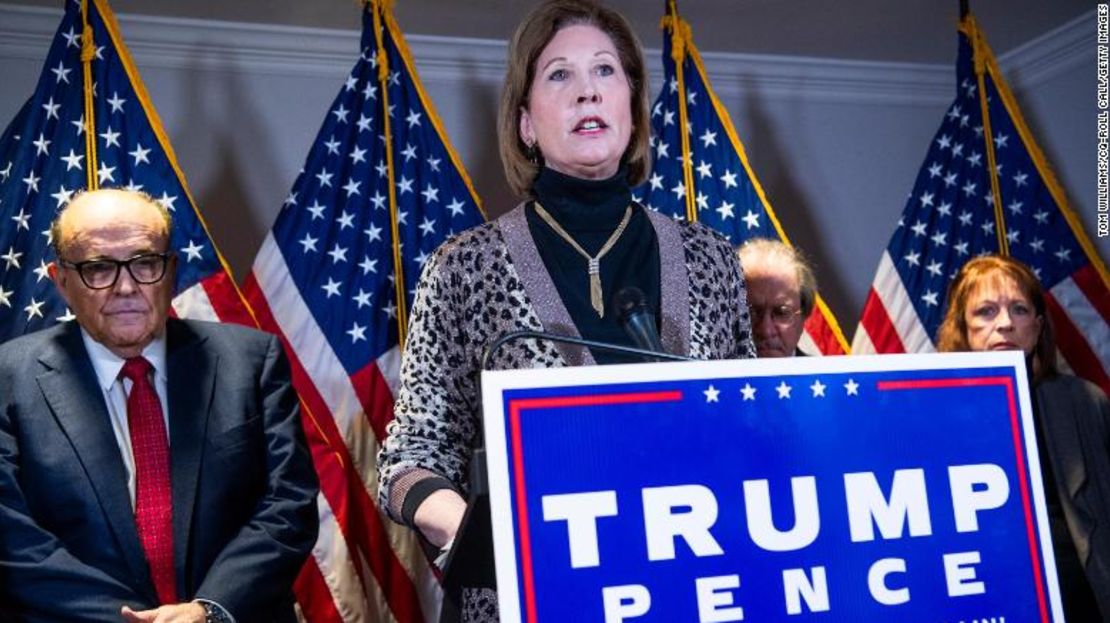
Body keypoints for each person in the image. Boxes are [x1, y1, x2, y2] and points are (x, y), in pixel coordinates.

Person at [377, 0, 754, 618]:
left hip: (693, 591)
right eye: (560, 75)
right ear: (525, 122)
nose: (588, 93)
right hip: (535, 598)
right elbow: (410, 461)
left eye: (606, 71)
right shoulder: (463, 267)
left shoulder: (711, 259)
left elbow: (747, 427)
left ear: (632, 106)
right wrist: (498, 540)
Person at [0, 189, 319, 622]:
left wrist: (206, 611)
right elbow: (12, 536)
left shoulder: (252, 361)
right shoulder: (8, 378)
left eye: (145, 263)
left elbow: (288, 504)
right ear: (61, 282)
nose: (126, 287)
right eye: (98, 268)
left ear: (171, 270)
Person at [937, 254, 1110, 619]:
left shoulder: (1084, 402)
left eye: (1019, 309)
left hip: (1084, 598)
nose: (1005, 324)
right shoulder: (935, 414)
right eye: (985, 311)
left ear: (1038, 325)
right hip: (988, 597)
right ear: (963, 328)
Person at [736, 237, 817, 357]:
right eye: (751, 313)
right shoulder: (705, 373)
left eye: (782, 312)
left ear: (803, 317)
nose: (766, 330)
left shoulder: (826, 375)